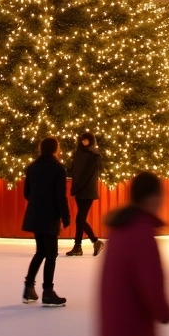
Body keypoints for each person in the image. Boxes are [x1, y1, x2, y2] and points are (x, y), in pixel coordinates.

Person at [96, 171, 169, 336]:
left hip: (120, 314)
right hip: (135, 319)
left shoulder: (121, 227)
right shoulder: (141, 232)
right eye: (160, 195)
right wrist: (163, 311)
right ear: (151, 198)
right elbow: (150, 279)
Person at [22, 137, 71, 306]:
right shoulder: (58, 168)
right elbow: (60, 196)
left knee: (41, 251)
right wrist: (65, 216)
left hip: (36, 213)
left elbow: (26, 193)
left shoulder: (33, 167)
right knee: (51, 254)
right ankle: (48, 292)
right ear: (55, 149)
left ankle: (28, 288)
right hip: (49, 215)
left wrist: (37, 202)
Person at [67, 131, 104, 257]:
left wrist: (78, 187)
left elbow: (87, 174)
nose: (84, 142)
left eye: (87, 140)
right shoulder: (79, 153)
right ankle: (79, 247)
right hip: (80, 189)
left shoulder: (93, 154)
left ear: (91, 141)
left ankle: (94, 241)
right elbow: (75, 170)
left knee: (80, 219)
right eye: (83, 140)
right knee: (80, 219)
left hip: (87, 190)